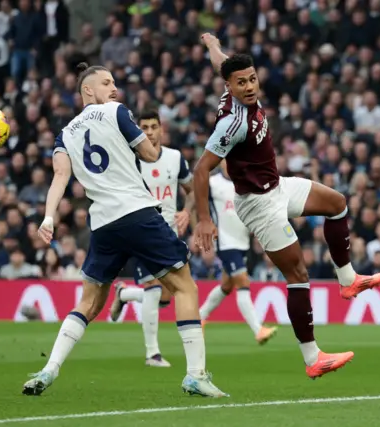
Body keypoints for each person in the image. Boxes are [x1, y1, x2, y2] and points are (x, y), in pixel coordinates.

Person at [22, 63, 227, 397]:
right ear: (87, 90)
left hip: (102, 224)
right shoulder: (116, 111)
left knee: (89, 302)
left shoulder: (66, 133)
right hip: (137, 212)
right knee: (185, 287)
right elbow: (148, 153)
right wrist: (136, 135)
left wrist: (48, 217)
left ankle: (49, 369)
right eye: (106, 82)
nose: (114, 87)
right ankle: (195, 374)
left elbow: (60, 176)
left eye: (115, 82)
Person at [193, 34, 380, 380]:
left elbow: (220, 62)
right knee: (298, 275)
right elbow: (201, 169)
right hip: (258, 204)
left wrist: (211, 44)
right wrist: (205, 220)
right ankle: (313, 358)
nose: (250, 86)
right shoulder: (232, 123)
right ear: (229, 87)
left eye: (252, 79)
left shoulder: (232, 85)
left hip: (278, 186)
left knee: (337, 203)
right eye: (241, 83)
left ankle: (348, 280)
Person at [108, 110, 194, 368]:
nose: (149, 132)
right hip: (142, 230)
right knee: (155, 290)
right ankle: (152, 353)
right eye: (143, 127)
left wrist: (187, 211)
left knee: (165, 296)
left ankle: (125, 294)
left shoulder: (175, 158)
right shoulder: (129, 160)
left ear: (161, 130)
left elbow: (190, 189)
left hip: (169, 233)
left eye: (153, 127)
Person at [198, 160, 277, 344]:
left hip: (242, 242)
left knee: (226, 285)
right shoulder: (212, 183)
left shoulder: (244, 182)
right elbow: (196, 202)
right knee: (243, 282)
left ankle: (198, 317)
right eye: (226, 159)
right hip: (225, 243)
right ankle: (258, 330)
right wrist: (201, 228)